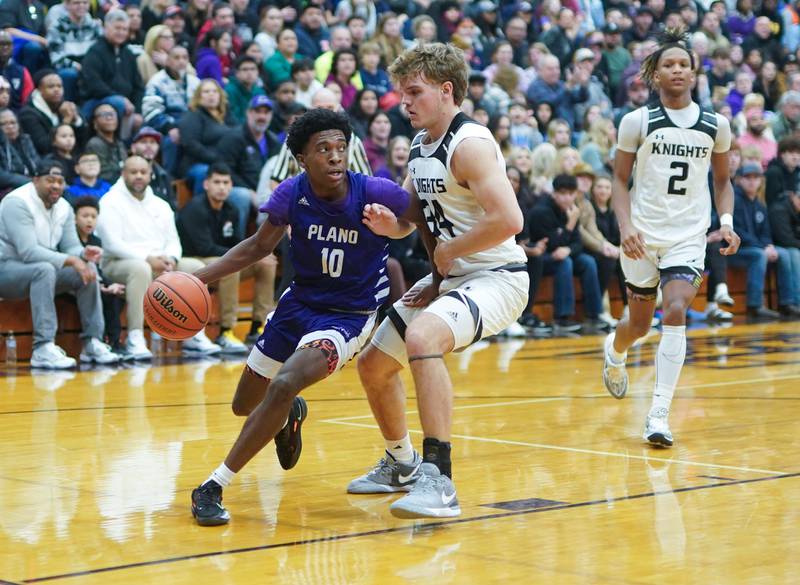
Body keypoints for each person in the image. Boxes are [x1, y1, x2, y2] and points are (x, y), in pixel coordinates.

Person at [189, 108, 411, 526]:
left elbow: (417, 217)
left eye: (341, 148)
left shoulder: (375, 191)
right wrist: (198, 278)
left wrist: (395, 229)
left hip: (348, 315)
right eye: (323, 149)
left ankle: (213, 485)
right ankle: (289, 413)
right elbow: (257, 247)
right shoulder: (291, 194)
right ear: (302, 158)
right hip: (298, 305)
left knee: (286, 382)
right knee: (245, 405)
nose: (334, 157)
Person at [348, 43, 528, 519]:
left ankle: (439, 480)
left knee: (423, 336)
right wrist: (392, 225)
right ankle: (401, 463)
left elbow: (510, 219)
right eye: (401, 93)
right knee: (373, 365)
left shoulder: (469, 145)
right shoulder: (421, 143)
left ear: (446, 91)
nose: (404, 103)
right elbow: (415, 218)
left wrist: (447, 255)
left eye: (414, 92)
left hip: (498, 278)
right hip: (451, 279)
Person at [602, 29, 740, 448]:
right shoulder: (637, 121)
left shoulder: (716, 125)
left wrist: (728, 221)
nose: (677, 70)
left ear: (695, 73)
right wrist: (625, 228)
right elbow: (620, 180)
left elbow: (723, 182)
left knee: (677, 307)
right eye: (669, 65)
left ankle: (659, 413)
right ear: (655, 75)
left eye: (684, 64)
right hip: (642, 236)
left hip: (687, 236)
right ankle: (615, 349)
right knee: (639, 325)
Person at [96, 155, 221, 360]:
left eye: (143, 172)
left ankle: (194, 333)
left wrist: (171, 258)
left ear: (150, 175)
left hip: (160, 262)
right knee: (140, 269)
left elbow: (173, 240)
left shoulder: (160, 204)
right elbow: (112, 244)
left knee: (196, 267)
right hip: (117, 264)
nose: (138, 176)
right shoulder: (109, 202)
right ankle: (135, 337)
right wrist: (147, 258)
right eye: (133, 172)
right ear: (123, 174)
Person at [0, 158, 119, 368]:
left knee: (87, 271)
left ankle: (93, 342)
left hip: (39, 270)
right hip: (6, 270)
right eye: (50, 180)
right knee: (44, 270)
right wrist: (71, 260)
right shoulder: (17, 202)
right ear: (36, 180)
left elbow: (71, 246)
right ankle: (42, 347)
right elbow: (28, 252)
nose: (56, 185)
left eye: (60, 181)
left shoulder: (63, 206)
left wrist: (83, 253)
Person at [177, 162, 276, 353]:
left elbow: (238, 243)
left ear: (231, 186)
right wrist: (239, 258)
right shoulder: (195, 208)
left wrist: (255, 257)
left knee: (267, 264)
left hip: (218, 259)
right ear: (206, 184)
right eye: (217, 182)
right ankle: (226, 331)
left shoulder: (231, 209)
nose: (221, 187)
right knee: (230, 267)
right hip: (197, 262)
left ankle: (257, 327)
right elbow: (204, 247)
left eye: (225, 182)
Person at [73, 196, 127, 352]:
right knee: (104, 295)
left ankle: (114, 342)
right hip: (77, 282)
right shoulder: (71, 239)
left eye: (93, 217)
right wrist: (101, 286)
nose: (89, 221)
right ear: (75, 219)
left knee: (115, 294)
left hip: (93, 279)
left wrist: (109, 285)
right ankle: (100, 340)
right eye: (85, 216)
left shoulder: (96, 241)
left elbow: (98, 270)